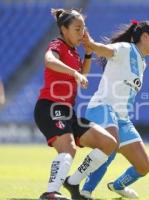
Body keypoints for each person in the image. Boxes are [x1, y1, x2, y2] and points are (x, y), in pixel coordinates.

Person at [34, 8, 117, 200]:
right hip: (49, 107)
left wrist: (88, 54)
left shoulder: (73, 52)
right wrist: (75, 73)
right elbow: (49, 60)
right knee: (68, 148)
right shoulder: (58, 45)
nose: (82, 33)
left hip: (66, 111)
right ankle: (50, 193)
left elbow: (83, 75)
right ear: (64, 29)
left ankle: (72, 182)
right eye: (77, 29)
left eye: (84, 29)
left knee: (108, 143)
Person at [79, 20, 149, 199]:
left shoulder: (143, 63)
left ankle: (118, 185)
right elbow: (106, 50)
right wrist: (92, 44)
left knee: (144, 166)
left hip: (122, 118)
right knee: (111, 144)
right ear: (144, 36)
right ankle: (84, 190)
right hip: (101, 107)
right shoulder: (125, 48)